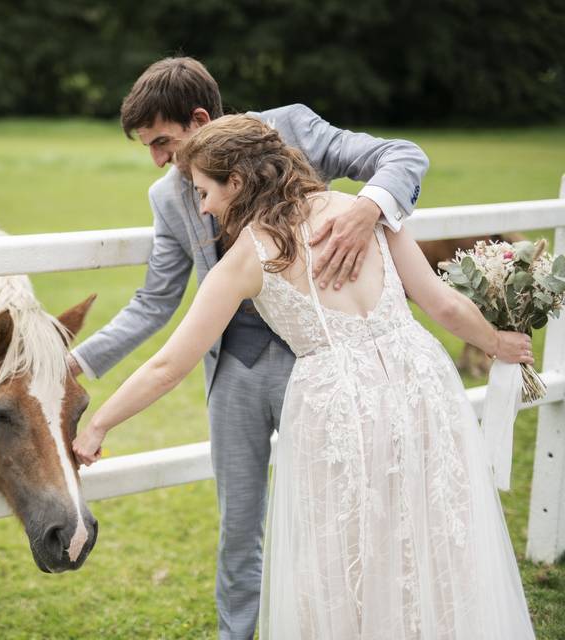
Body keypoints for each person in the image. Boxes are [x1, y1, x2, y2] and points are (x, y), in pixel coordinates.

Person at [73, 114, 536, 639]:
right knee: (427, 533)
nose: (201, 206)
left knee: (345, 556)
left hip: (338, 406)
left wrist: (98, 425)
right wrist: (499, 345)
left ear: (239, 183)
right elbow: (445, 306)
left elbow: (169, 364)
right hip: (419, 382)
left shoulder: (249, 256)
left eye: (204, 191)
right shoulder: (362, 213)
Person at [66, 56, 428, 639]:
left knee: (337, 514)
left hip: (319, 362)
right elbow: (155, 303)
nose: (158, 161)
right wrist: (72, 362)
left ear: (201, 118)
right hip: (233, 372)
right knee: (239, 526)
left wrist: (366, 210)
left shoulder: (293, 131)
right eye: (149, 149)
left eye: (162, 142)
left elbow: (403, 156)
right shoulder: (168, 198)